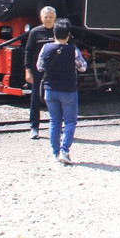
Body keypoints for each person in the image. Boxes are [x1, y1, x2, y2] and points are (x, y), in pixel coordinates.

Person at [36, 19, 88, 164]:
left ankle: (55, 152)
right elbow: (82, 67)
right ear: (68, 34)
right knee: (70, 121)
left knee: (54, 122)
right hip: (68, 91)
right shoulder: (73, 50)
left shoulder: (45, 48)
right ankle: (64, 151)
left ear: (54, 33)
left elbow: (40, 67)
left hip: (50, 90)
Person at [24, 6, 57, 139]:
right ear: (41, 18)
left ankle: (55, 126)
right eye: (46, 17)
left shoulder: (59, 32)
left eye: (50, 17)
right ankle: (34, 127)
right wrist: (27, 70)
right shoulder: (35, 32)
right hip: (38, 71)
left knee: (55, 100)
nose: (48, 20)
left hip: (55, 71)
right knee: (35, 100)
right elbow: (28, 51)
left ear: (54, 18)